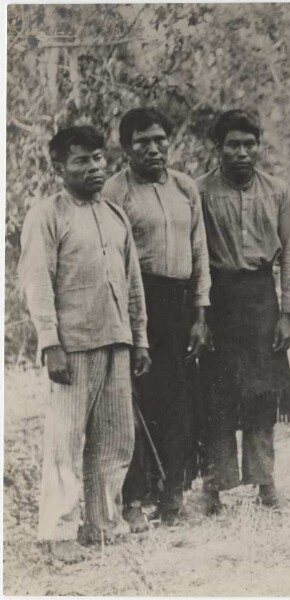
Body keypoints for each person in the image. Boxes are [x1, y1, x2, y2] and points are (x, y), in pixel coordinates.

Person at [18, 126, 151, 563]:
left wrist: (140, 339)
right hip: (72, 347)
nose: (94, 168)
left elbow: (133, 285)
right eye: (81, 161)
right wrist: (50, 343)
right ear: (59, 168)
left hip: (116, 341)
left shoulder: (114, 214)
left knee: (116, 439)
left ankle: (102, 523)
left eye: (98, 158)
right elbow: (37, 283)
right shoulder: (47, 215)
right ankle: (58, 533)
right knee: (66, 442)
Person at [103, 107, 211, 525]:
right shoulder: (116, 191)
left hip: (181, 305)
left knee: (179, 403)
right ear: (126, 148)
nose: (153, 149)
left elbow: (199, 253)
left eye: (159, 139)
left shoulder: (185, 187)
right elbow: (115, 261)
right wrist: (131, 325)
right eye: (142, 142)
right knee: (136, 403)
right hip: (139, 301)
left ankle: (174, 498)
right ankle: (133, 502)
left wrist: (201, 315)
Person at [197, 109, 290, 515]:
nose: (242, 152)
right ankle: (215, 487)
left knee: (262, 395)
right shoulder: (200, 191)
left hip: (262, 300)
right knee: (217, 396)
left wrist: (288, 313)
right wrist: (200, 317)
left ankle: (264, 482)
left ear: (258, 146)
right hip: (218, 299)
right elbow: (197, 257)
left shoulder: (277, 191)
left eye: (249, 144)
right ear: (218, 148)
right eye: (233, 145)